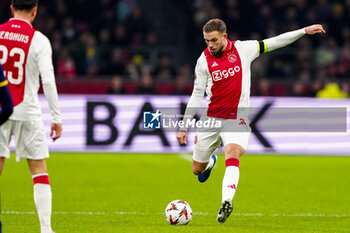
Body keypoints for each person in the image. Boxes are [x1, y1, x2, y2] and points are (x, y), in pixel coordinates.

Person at [176, 18, 325, 223]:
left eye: (213, 40)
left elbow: (274, 42)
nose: (210, 45)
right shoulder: (203, 61)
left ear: (224, 37)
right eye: (206, 41)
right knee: (197, 170)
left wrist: (303, 31)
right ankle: (210, 162)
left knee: (233, 153)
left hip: (237, 118)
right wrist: (183, 126)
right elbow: (196, 94)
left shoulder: (243, 49)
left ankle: (226, 201)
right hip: (211, 119)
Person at [0, 1, 62, 233]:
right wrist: (56, 117)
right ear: (35, 11)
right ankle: (46, 229)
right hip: (28, 109)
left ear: (11, 7)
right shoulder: (39, 40)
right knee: (38, 169)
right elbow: (48, 80)